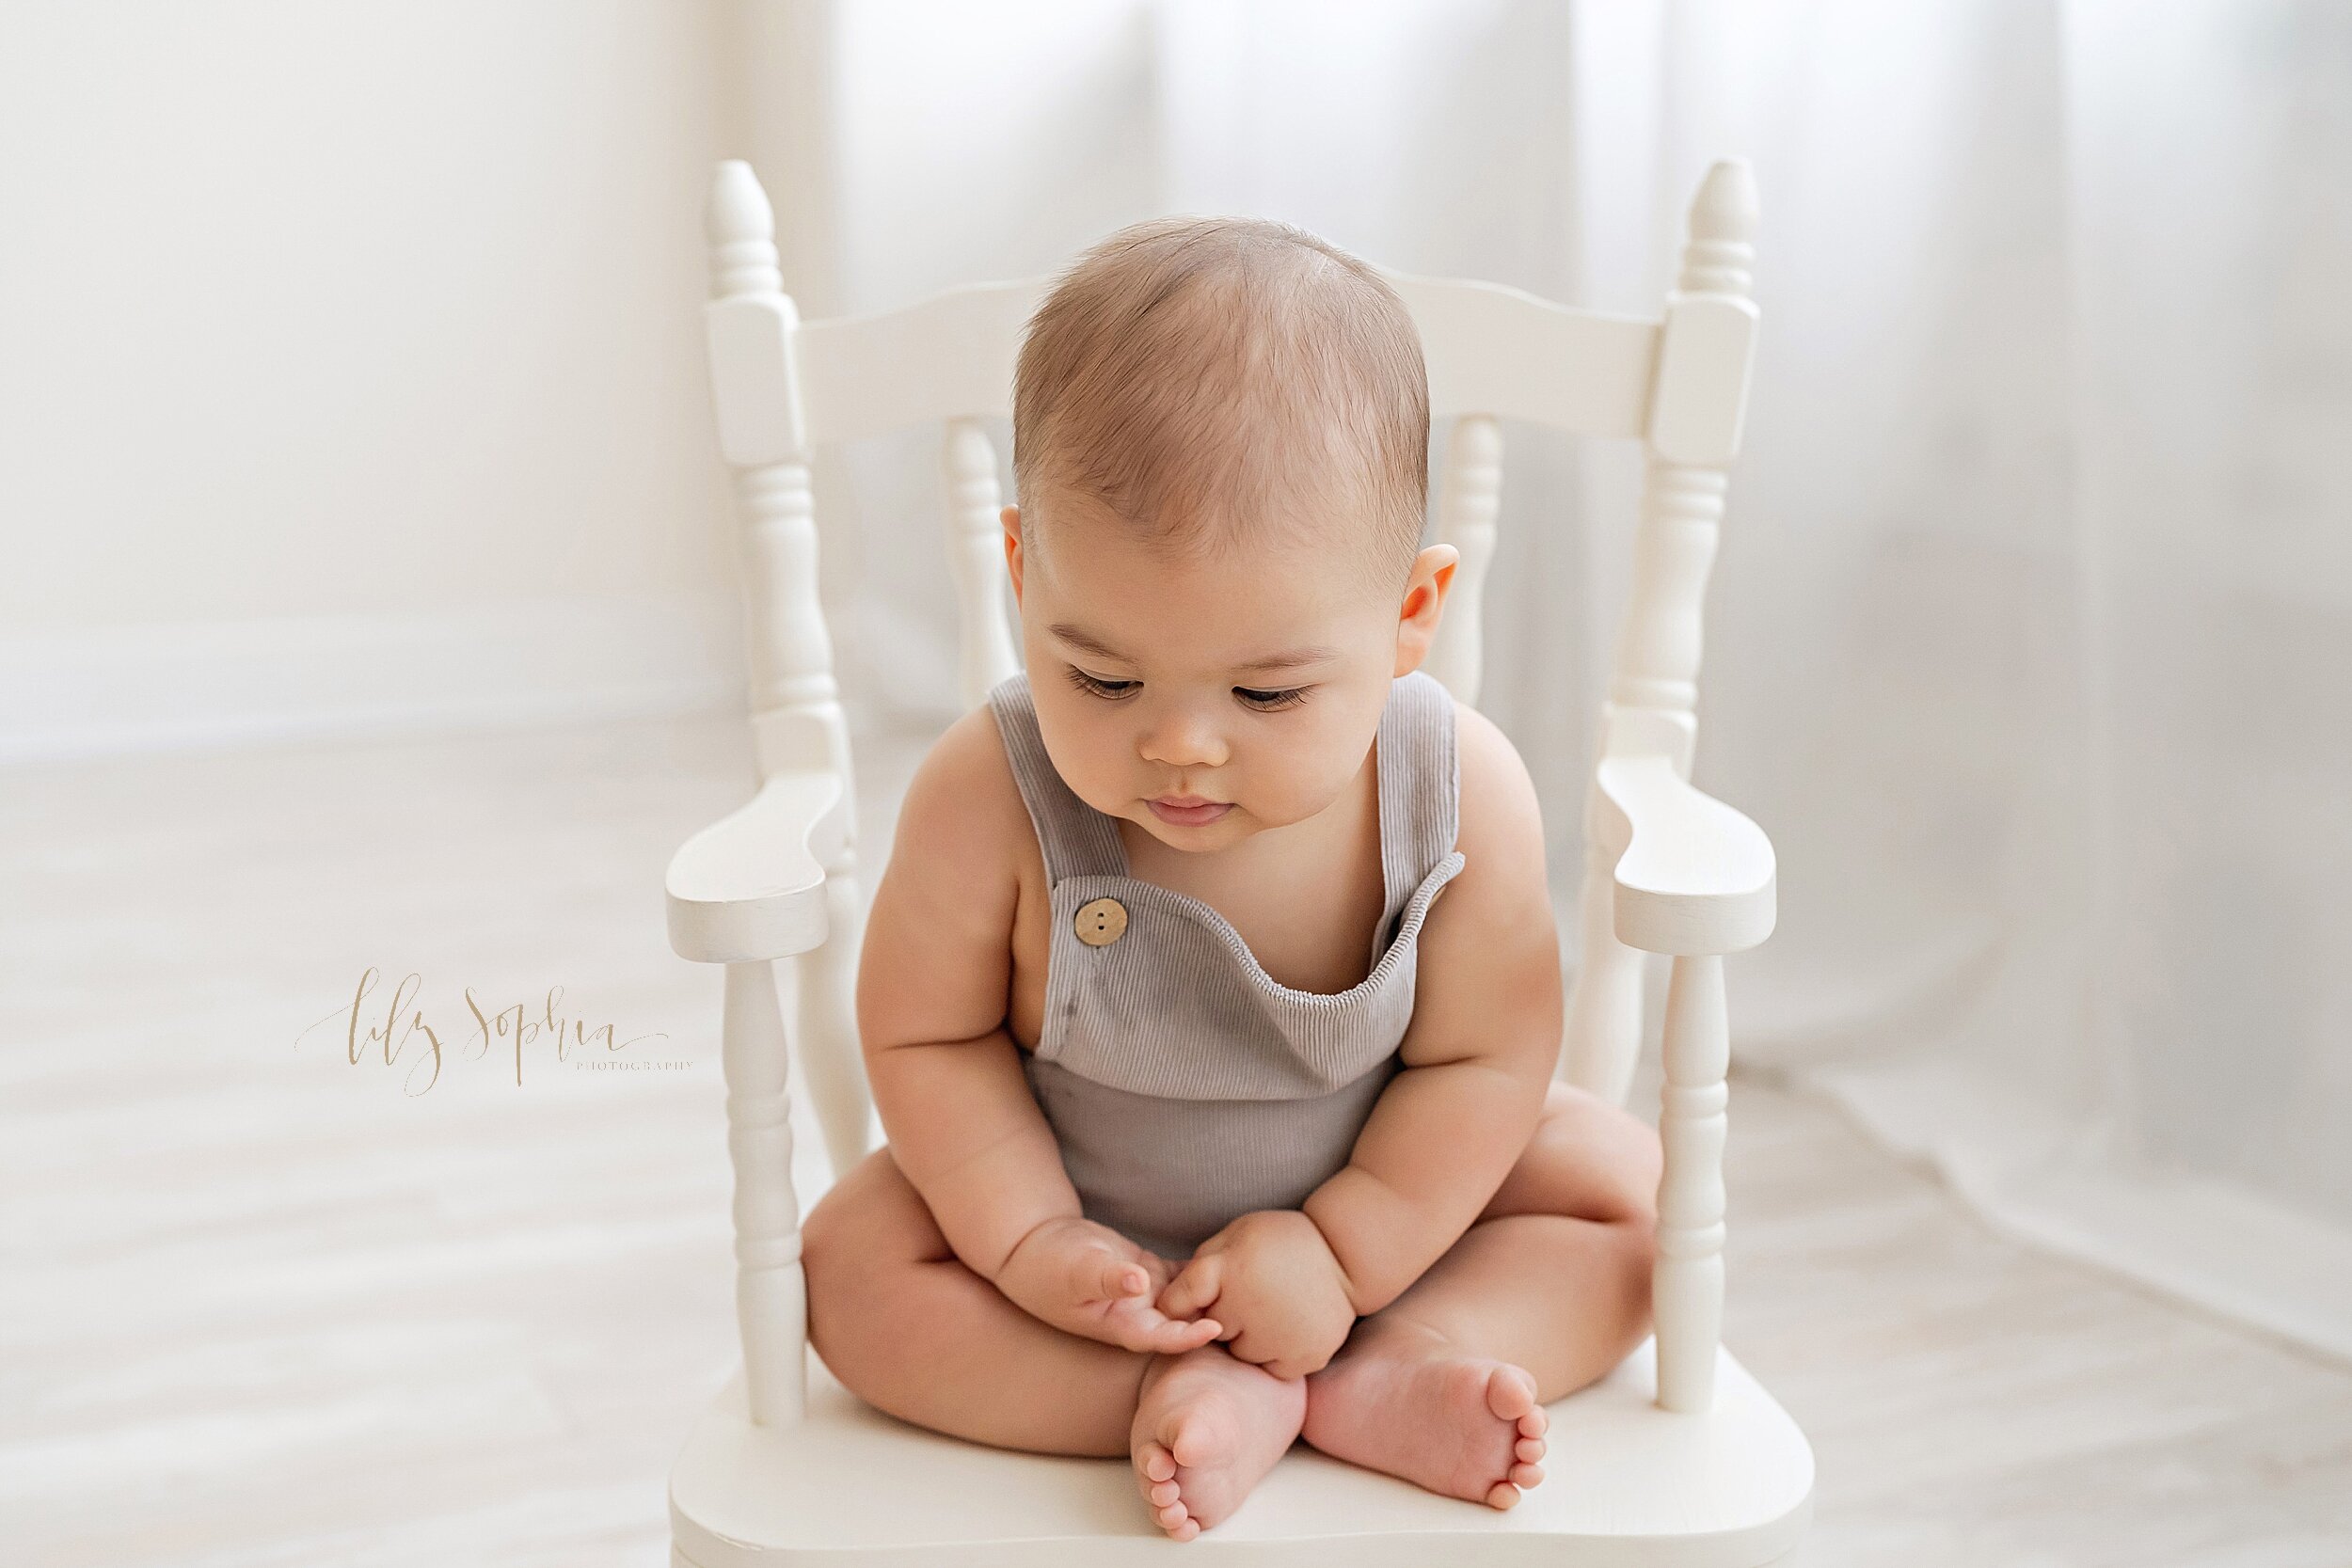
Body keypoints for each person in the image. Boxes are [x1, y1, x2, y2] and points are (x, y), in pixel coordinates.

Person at [801, 215, 1662, 1542]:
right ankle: (1172, 1384)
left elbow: (1488, 1062)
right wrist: (1027, 1239)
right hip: (1088, 1221)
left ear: (1406, 621)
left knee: (1627, 1200)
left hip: (1388, 1222)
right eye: (1102, 676)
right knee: (852, 1273)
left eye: (1266, 691)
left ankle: (1386, 1364)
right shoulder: (991, 793)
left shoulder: (1455, 791)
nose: (1180, 744)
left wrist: (1347, 1250)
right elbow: (926, 1033)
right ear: (1026, 574)